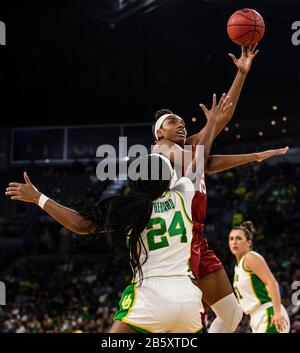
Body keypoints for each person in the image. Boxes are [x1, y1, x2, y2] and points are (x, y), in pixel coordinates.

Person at [5, 95, 231, 333]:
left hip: (151, 297)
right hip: (188, 298)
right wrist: (213, 123)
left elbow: (81, 225)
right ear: (169, 179)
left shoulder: (129, 209)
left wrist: (38, 197)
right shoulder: (183, 195)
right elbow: (199, 161)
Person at [151, 45, 289, 333]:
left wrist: (241, 74)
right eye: (172, 122)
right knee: (190, 321)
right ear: (159, 132)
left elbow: (220, 125)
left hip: (197, 237)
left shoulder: (190, 147)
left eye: (181, 121)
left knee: (231, 314)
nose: (181, 124)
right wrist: (211, 126)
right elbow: (200, 161)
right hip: (177, 241)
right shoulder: (161, 149)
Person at [229, 221, 290, 333]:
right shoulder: (237, 268)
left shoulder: (250, 257)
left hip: (269, 313)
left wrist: (277, 312)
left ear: (249, 243)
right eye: (231, 239)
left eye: (238, 238)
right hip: (256, 318)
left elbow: (272, 282)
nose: (234, 242)